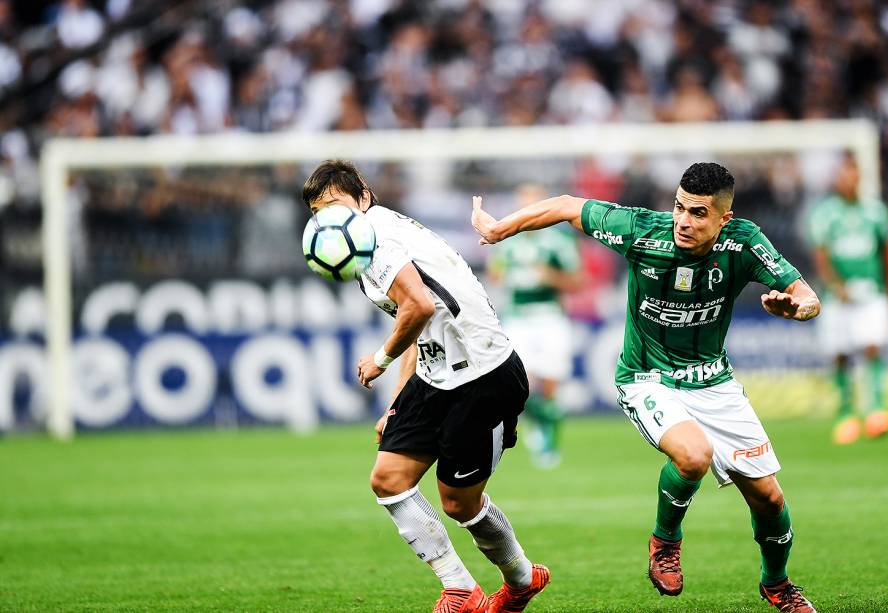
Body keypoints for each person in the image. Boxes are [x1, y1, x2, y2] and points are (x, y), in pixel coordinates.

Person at [471, 162, 821, 613]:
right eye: (679, 208)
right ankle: (665, 541)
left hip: (713, 380)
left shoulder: (745, 241)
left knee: (769, 498)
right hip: (646, 378)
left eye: (697, 213)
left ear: (723, 219)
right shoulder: (642, 230)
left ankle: (777, 584)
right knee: (693, 456)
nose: (683, 221)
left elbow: (806, 294)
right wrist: (501, 230)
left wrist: (799, 309)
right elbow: (564, 206)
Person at [302, 160, 550, 613]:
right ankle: (461, 588)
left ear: (363, 197)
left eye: (338, 207)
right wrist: (396, 405)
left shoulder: (376, 237)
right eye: (321, 214)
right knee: (389, 479)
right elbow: (417, 318)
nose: (331, 222)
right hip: (437, 374)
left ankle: (520, 579)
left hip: (483, 374)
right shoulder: (363, 242)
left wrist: (378, 361)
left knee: (459, 504)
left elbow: (415, 307)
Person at [487, 183, 583, 468]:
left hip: (550, 316)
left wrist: (550, 276)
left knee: (552, 384)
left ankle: (549, 443)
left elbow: (578, 281)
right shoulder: (508, 241)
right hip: (518, 317)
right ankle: (538, 427)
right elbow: (494, 275)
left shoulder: (559, 241)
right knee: (519, 386)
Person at [807, 155, 888, 444]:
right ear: (837, 179)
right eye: (843, 175)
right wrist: (835, 284)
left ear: (860, 177)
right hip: (838, 296)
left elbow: (886, 251)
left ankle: (877, 411)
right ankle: (846, 414)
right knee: (841, 354)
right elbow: (820, 254)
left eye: (853, 174)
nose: (849, 180)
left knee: (873, 347)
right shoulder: (826, 213)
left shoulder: (876, 211)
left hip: (871, 292)